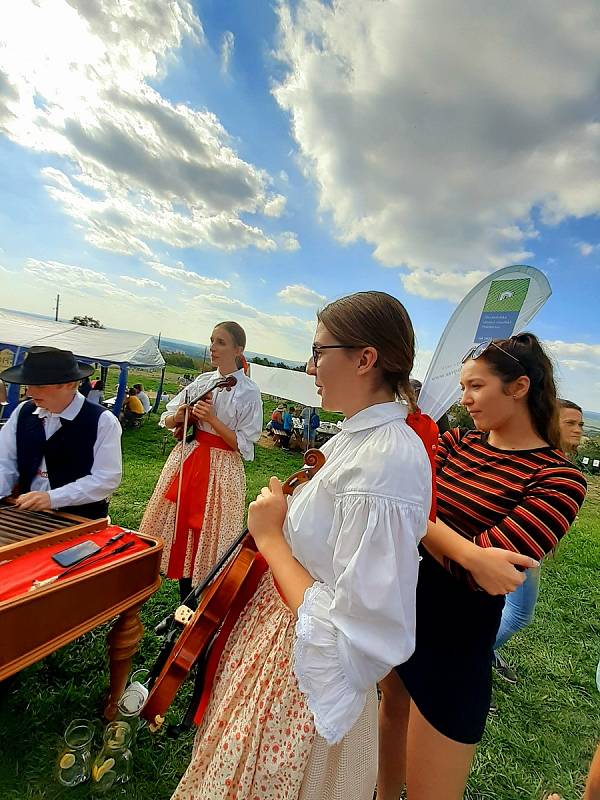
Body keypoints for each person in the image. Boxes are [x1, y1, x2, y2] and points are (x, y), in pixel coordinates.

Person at [170, 291, 432, 800]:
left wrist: (271, 539)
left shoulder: (385, 461)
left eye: (317, 351)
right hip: (280, 643)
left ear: (365, 358)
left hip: (301, 678)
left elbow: (353, 633)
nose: (310, 366)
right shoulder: (352, 440)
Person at [377, 333, 587, 800]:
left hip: (456, 642)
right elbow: (402, 510)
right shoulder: (456, 442)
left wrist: (417, 520)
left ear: (518, 387)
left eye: (475, 386)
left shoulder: (558, 478)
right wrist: (462, 545)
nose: (464, 399)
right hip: (401, 609)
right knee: (389, 724)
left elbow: (481, 575)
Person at [139, 321, 263, 602]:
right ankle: (184, 604)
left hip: (222, 468)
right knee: (182, 530)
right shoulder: (203, 382)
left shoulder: (249, 392)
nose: (213, 347)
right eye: (212, 341)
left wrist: (211, 419)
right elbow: (168, 419)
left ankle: (198, 608)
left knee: (209, 535)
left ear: (238, 349)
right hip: (189, 459)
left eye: (221, 342)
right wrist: (181, 416)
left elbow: (244, 444)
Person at [492, 395, 587, 686]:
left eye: (581, 424)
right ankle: (473, 655)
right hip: (513, 553)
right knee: (519, 613)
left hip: (526, 553)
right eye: (570, 422)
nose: (579, 430)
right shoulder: (541, 464)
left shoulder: (558, 463)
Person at [0, 346, 122, 519]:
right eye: (28, 384)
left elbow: (106, 478)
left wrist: (53, 498)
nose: (30, 392)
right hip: (26, 516)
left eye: (39, 385)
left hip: (80, 520)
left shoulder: (102, 421)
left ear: (70, 384)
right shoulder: (23, 412)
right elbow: (4, 462)